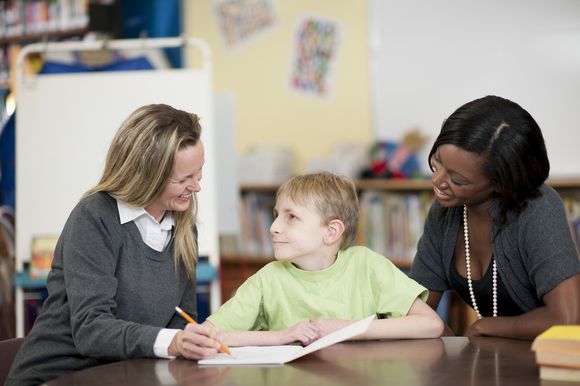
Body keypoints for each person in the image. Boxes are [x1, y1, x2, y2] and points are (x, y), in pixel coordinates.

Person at [7, 104, 223, 385]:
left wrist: (189, 340)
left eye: (199, 172)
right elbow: (91, 329)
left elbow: (181, 319)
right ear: (147, 176)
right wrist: (174, 342)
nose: (196, 187)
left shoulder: (183, 228)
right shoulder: (95, 217)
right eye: (183, 179)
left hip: (126, 375)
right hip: (58, 377)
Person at [409, 95, 580, 340]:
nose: (437, 181)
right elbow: (414, 307)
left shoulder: (539, 208)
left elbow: (567, 320)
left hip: (552, 362)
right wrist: (449, 345)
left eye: (457, 180)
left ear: (501, 183)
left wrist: (486, 327)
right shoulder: (445, 212)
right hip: (498, 361)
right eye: (438, 161)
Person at [205, 172, 444, 346]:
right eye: (277, 215)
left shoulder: (367, 265)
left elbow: (431, 324)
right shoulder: (267, 279)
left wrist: (346, 329)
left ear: (331, 232)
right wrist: (280, 336)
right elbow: (208, 335)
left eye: (292, 217)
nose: (273, 227)